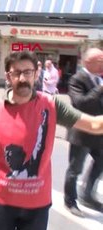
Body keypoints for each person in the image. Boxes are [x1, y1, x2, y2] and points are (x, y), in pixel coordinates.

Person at [0, 50, 103, 230]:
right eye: (16, 73)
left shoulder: (51, 105)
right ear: (8, 76)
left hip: (37, 204)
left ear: (36, 74)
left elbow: (94, 125)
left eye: (27, 72)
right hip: (1, 202)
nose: (22, 78)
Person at [64, 48, 103, 216]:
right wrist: (100, 88)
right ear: (88, 62)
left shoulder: (100, 79)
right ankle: (70, 201)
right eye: (100, 61)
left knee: (101, 163)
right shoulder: (77, 79)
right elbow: (81, 103)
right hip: (82, 132)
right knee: (75, 168)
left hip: (99, 131)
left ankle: (87, 194)